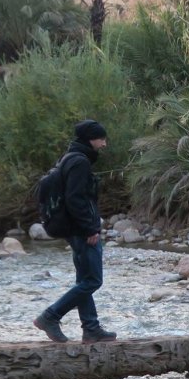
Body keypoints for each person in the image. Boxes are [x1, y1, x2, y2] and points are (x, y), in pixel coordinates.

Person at [33, 120, 117, 343]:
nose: (104, 144)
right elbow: (75, 198)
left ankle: (91, 328)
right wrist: (90, 228)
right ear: (91, 139)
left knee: (84, 280)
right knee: (93, 281)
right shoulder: (79, 162)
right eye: (101, 139)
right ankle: (50, 316)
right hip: (81, 230)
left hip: (74, 228)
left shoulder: (69, 158)